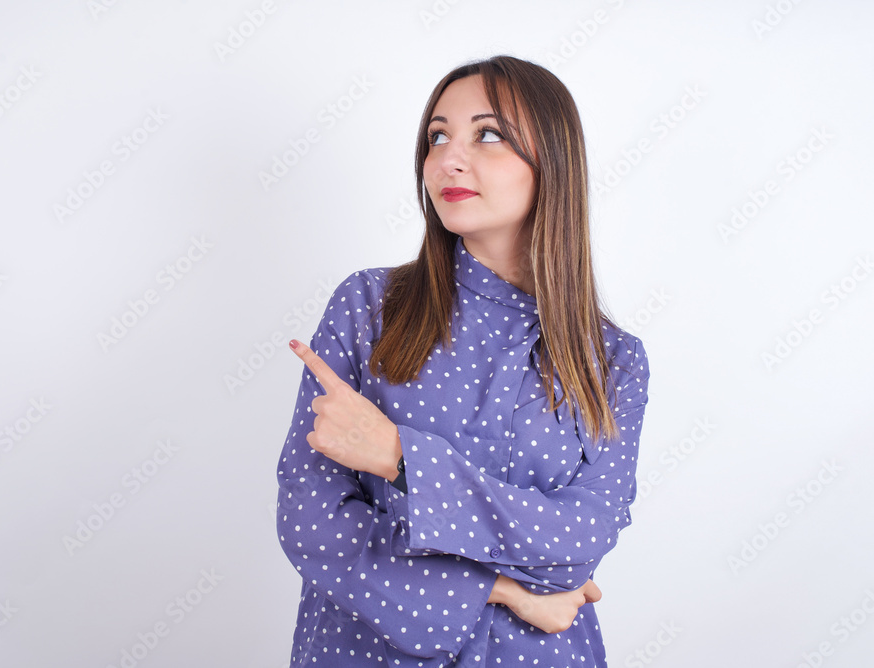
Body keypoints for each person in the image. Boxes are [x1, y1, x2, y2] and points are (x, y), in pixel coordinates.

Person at [275, 54, 650, 667]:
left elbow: (580, 540)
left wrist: (400, 458)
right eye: (438, 136)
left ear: (553, 162)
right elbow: (312, 524)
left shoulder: (612, 360)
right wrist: (502, 589)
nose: (448, 158)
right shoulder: (369, 307)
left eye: (488, 134)